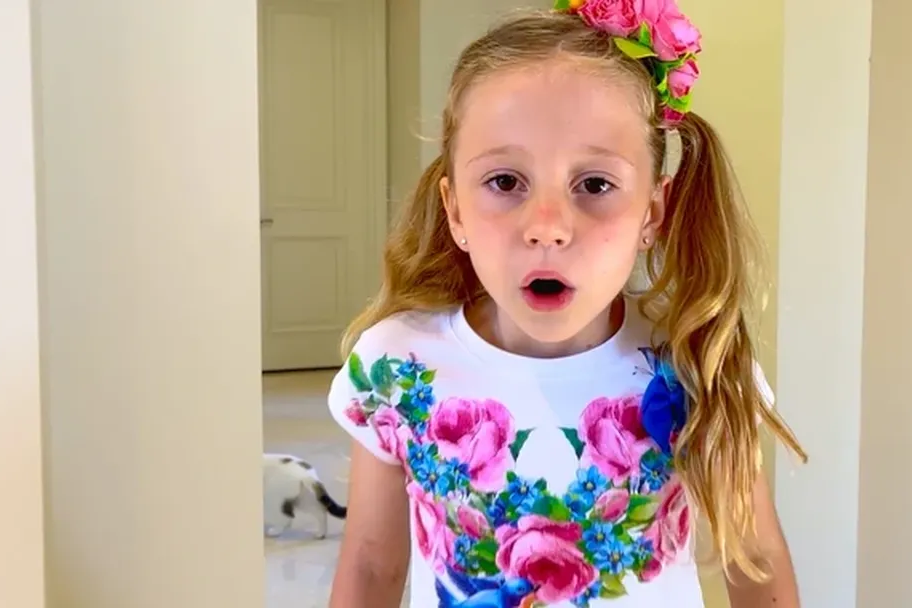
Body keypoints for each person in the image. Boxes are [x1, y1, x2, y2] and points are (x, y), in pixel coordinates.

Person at [327, 2, 806, 607]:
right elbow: (371, 566)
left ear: (652, 212)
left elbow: (756, 561)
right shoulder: (395, 368)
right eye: (505, 182)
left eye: (595, 184)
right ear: (455, 211)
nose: (548, 227)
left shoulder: (694, 361)